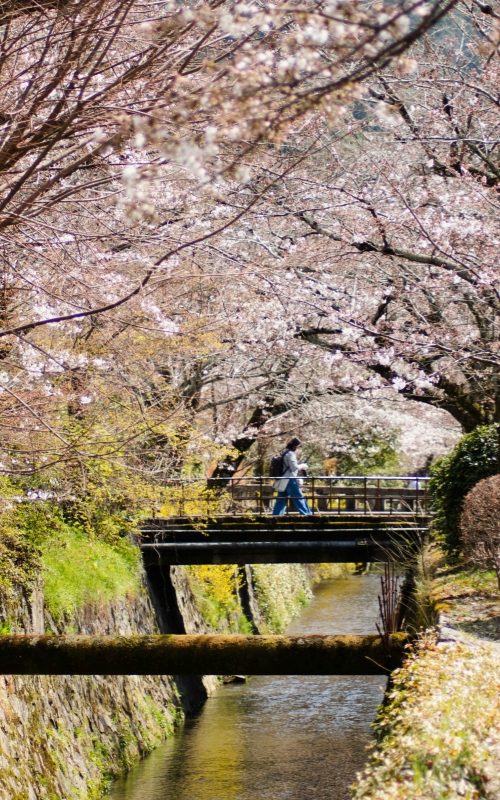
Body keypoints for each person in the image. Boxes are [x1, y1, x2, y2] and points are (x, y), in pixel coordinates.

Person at [272, 437, 312, 516]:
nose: (299, 448)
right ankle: (307, 515)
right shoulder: (291, 454)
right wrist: (303, 466)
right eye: (299, 447)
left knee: (281, 500)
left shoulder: (284, 452)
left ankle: (276, 516)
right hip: (290, 480)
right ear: (296, 446)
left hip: (283, 480)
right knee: (298, 497)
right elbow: (294, 467)